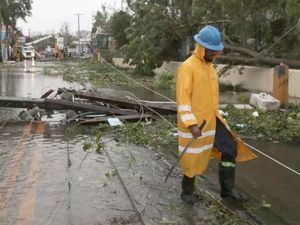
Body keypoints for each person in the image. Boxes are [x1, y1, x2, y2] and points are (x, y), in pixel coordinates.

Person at [176, 25, 257, 205]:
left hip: (212, 120)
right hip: (196, 123)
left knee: (230, 148)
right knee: (192, 156)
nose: (215, 55)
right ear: (202, 47)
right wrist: (192, 124)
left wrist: (218, 114)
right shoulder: (188, 68)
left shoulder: (210, 67)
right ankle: (187, 192)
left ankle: (227, 191)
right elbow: (183, 100)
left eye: (216, 51)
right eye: (212, 52)